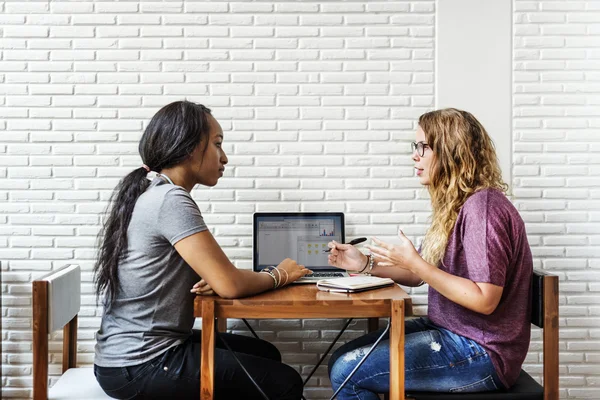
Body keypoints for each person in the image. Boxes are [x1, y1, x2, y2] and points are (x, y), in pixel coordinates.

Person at [93, 101, 311, 400]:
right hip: (141, 363)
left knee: (266, 352)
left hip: (128, 356)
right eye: (217, 144)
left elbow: (209, 276)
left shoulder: (153, 192)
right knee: (284, 382)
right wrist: (280, 274)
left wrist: (211, 277)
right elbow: (230, 284)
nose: (224, 157)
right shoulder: (170, 199)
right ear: (191, 148)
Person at [327, 108, 533, 398]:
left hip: (482, 352)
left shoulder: (483, 210)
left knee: (346, 370)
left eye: (423, 147)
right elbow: (417, 274)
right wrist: (364, 264)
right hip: (452, 331)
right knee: (343, 357)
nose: (415, 156)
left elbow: (484, 300)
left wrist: (417, 264)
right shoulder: (455, 207)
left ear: (451, 152)